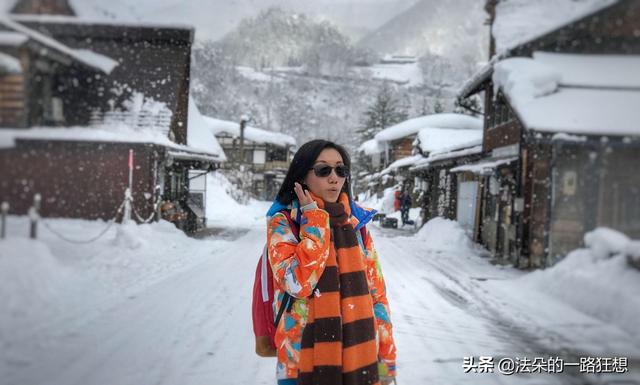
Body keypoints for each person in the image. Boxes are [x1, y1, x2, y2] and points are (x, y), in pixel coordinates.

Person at [266, 140, 397, 385]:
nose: (334, 178)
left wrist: (386, 363)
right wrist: (313, 218)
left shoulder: (356, 225)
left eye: (341, 170)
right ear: (302, 176)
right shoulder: (284, 223)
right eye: (323, 170)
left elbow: (377, 297)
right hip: (300, 365)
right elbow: (298, 284)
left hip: (363, 359)